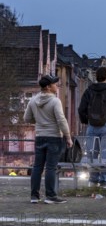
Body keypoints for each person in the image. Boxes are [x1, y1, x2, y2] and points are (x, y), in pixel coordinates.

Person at [24, 74, 72, 204]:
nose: (57, 86)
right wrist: (68, 136)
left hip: (39, 136)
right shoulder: (55, 101)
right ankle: (50, 196)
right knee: (51, 167)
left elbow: (27, 118)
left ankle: (34, 196)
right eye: (54, 84)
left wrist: (39, 121)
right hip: (54, 137)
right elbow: (61, 120)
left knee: (37, 167)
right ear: (48, 87)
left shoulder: (33, 100)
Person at [78, 67, 106, 188]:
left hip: (92, 125)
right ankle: (104, 181)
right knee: (105, 154)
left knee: (92, 153)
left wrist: (86, 121)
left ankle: (93, 180)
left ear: (96, 77)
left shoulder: (88, 90)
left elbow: (81, 109)